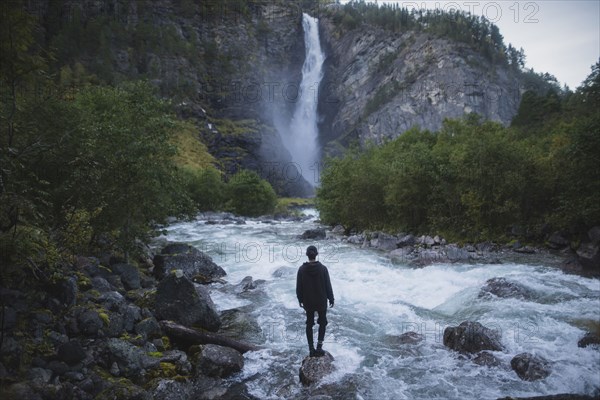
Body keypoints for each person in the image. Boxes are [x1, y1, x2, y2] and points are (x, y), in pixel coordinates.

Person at [296, 245, 334, 357]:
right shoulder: (323, 268)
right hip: (321, 301)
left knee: (309, 323)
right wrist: (331, 298)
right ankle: (319, 347)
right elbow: (328, 285)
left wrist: (300, 299)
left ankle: (311, 349)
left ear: (307, 255)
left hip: (308, 301)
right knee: (323, 323)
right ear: (316, 255)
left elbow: (299, 287)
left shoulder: (302, 269)